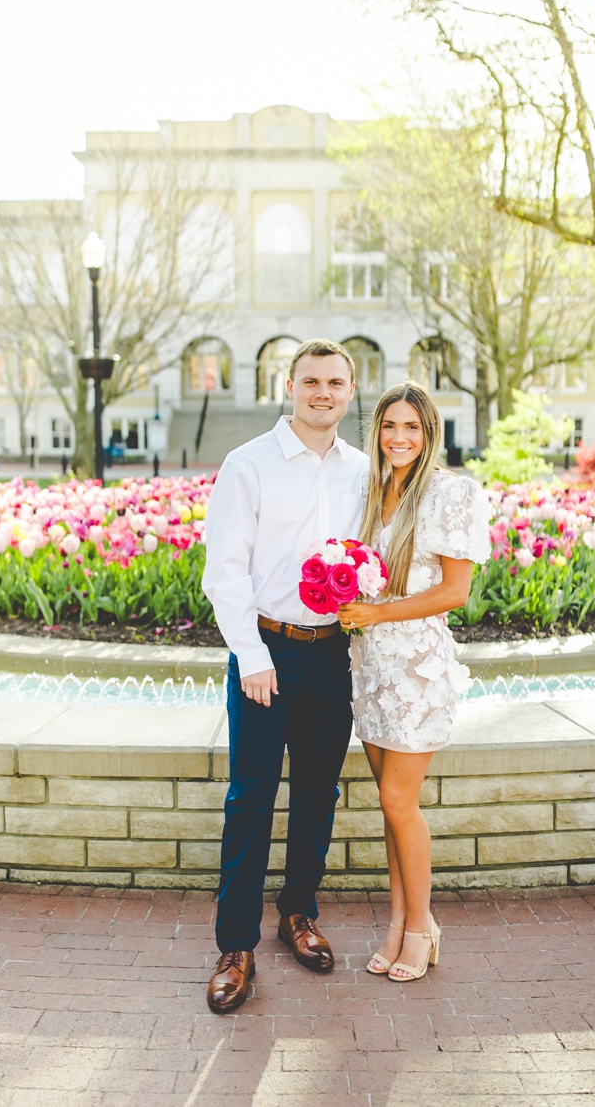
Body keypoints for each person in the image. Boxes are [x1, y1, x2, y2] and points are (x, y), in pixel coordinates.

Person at [200, 338, 367, 1013]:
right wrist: (253, 655)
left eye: (334, 382)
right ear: (289, 386)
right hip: (267, 652)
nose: (322, 392)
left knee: (318, 795)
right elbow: (225, 570)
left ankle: (298, 912)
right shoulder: (250, 464)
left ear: (350, 391)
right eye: (310, 381)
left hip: (335, 655)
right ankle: (235, 945)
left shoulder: (362, 469)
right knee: (251, 797)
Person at [336, 382, 491, 982]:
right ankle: (399, 924)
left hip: (418, 672)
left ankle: (422, 929)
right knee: (391, 807)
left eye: (413, 428)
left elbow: (455, 591)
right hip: (370, 667)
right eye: (389, 426)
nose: (399, 438)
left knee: (400, 800)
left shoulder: (451, 492)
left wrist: (377, 613)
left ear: (430, 433)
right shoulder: (376, 491)